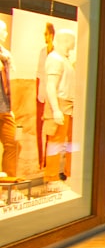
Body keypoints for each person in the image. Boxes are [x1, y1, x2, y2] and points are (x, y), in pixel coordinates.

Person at [44, 29, 76, 192]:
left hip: (70, 105)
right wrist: (55, 109)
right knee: (55, 142)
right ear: (66, 40)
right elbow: (50, 85)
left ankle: (69, 173)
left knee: (72, 142)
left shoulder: (65, 59)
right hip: (60, 103)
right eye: (73, 40)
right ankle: (51, 178)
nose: (74, 44)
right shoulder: (55, 58)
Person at [35, 22, 54, 168]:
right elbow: (40, 74)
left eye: (46, 34)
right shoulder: (43, 51)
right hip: (42, 94)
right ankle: (40, 160)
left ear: (51, 35)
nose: (44, 36)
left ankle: (47, 162)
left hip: (51, 96)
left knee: (49, 131)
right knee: (39, 128)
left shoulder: (55, 53)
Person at [0, 22, 17, 177]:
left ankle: (8, 187)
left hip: (5, 108)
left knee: (12, 143)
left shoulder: (6, 55)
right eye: (3, 31)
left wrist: (10, 108)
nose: (5, 34)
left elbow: (9, 81)